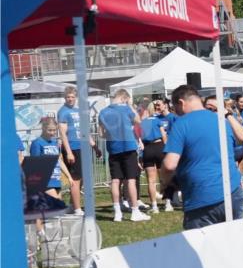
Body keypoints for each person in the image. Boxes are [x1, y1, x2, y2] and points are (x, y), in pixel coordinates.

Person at [161, 84, 243, 230]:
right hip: (232, 190)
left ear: (181, 102)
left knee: (201, 243)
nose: (176, 112)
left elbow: (169, 165)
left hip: (201, 195)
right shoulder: (223, 121)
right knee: (234, 240)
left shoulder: (181, 124)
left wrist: (164, 182)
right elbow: (242, 138)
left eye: (175, 108)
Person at [99, 89, 149, 222]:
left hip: (113, 148)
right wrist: (130, 106)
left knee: (115, 181)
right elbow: (138, 120)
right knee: (131, 179)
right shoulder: (126, 109)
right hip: (128, 147)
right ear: (124, 98)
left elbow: (101, 134)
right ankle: (135, 211)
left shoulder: (103, 112)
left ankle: (117, 212)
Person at [57, 85, 95, 216]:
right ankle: (78, 209)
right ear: (65, 98)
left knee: (82, 178)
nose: (70, 99)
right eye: (68, 97)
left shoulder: (78, 110)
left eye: (72, 97)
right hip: (72, 148)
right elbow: (63, 134)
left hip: (83, 147)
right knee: (75, 179)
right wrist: (68, 152)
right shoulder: (63, 112)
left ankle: (72, 205)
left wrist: (94, 145)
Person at [139, 99, 170, 213]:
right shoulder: (158, 120)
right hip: (159, 147)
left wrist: (141, 155)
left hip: (148, 149)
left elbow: (139, 138)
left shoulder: (142, 123)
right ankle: (168, 204)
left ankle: (154, 206)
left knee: (151, 181)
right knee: (164, 178)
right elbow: (164, 136)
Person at [29, 117, 71, 201]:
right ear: (43, 128)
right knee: (56, 203)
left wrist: (69, 176)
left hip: (56, 180)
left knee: (57, 205)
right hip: (45, 180)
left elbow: (59, 161)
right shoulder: (37, 143)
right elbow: (34, 163)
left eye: (54, 130)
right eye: (50, 130)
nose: (52, 132)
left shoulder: (54, 143)